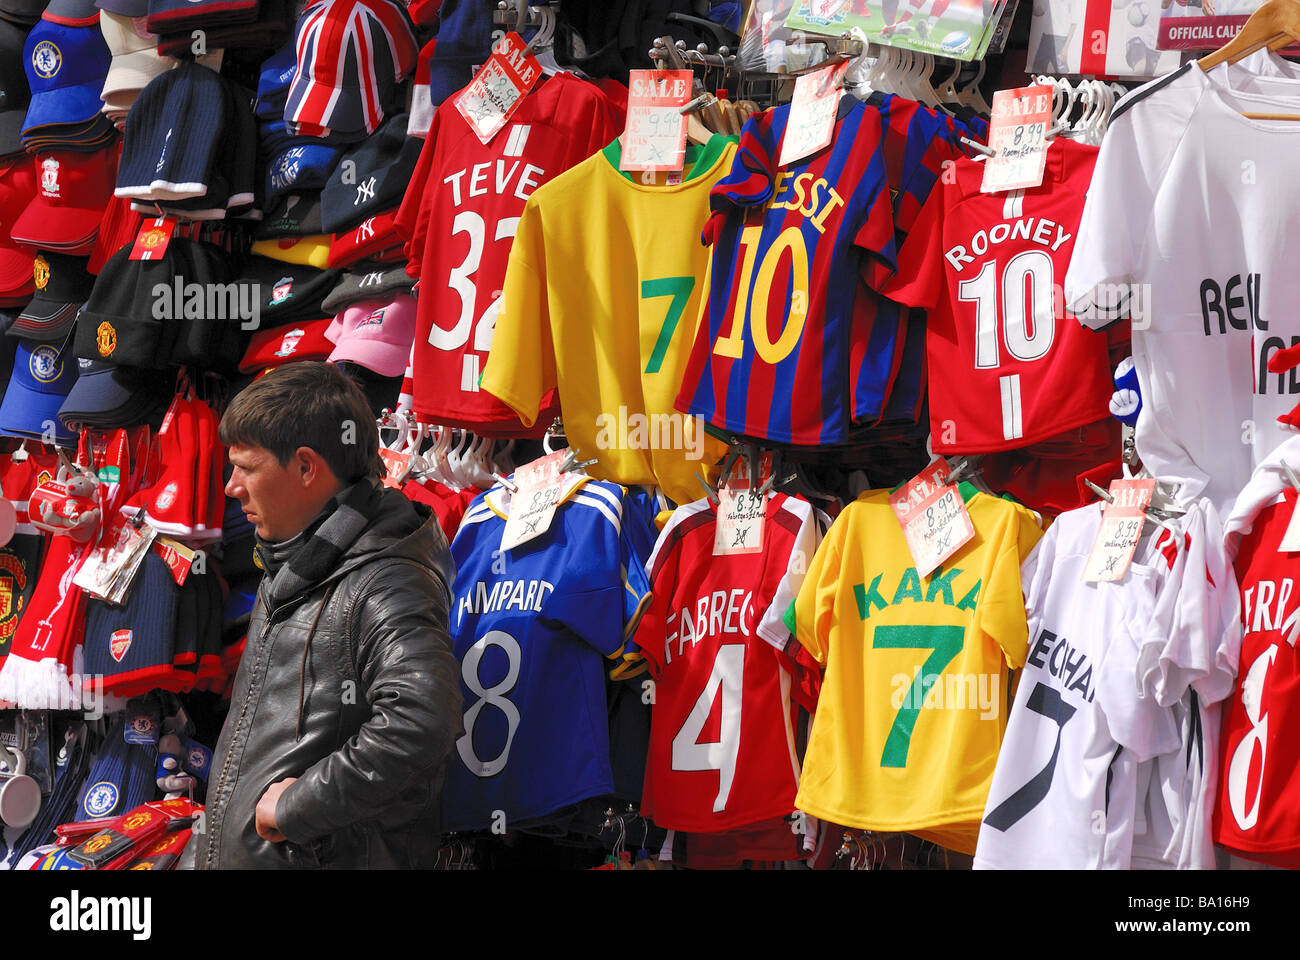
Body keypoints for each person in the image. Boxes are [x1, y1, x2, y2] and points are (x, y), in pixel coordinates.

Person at [185, 362, 462, 869]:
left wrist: (297, 807)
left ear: (307, 468)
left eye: (247, 467)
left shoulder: (386, 578)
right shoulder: (300, 557)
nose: (231, 487)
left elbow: (421, 722)